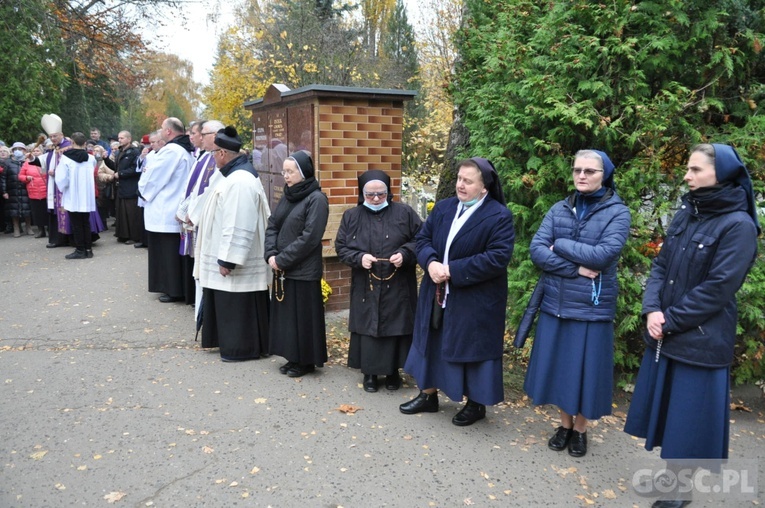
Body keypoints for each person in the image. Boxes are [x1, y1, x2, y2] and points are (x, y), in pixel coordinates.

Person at [624, 144, 759, 508]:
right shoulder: (688, 212)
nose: (687, 176)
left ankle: (678, 492)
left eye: (696, 170)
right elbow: (661, 266)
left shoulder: (739, 226)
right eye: (688, 169)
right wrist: (651, 309)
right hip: (666, 331)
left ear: (722, 175)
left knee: (687, 420)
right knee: (670, 413)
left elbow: (718, 288)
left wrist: (670, 320)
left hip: (700, 339)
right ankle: (671, 480)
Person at [523, 149, 631, 457]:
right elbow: (536, 250)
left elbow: (603, 255)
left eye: (590, 171)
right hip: (556, 303)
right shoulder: (560, 208)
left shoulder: (618, 212)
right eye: (577, 170)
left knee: (585, 372)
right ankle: (565, 425)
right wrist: (575, 267)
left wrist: (562, 245)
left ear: (604, 175)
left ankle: (581, 430)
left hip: (591, 308)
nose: (581, 175)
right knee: (561, 370)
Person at [399, 158, 515, 426]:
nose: (460, 185)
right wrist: (430, 263)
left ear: (484, 187)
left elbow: (497, 257)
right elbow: (423, 239)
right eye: (459, 179)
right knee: (433, 339)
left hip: (475, 297)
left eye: (468, 181)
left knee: (473, 347)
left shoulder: (498, 216)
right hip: (436, 288)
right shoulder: (444, 208)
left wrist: (451, 270)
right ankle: (428, 395)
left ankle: (476, 404)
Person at [335, 170, 422, 392]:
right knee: (368, 328)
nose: (375, 199)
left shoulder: (405, 213)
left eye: (381, 194)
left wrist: (405, 254)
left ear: (389, 193)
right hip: (367, 284)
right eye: (370, 194)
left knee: (396, 326)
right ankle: (370, 373)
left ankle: (393, 372)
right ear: (362, 193)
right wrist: (359, 258)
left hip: (398, 283)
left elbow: (421, 240)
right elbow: (341, 247)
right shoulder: (351, 216)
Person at [194, 126, 271, 361]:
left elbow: (239, 222)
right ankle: (229, 343)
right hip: (224, 253)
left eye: (213, 153)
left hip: (235, 262)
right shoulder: (234, 176)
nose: (213, 158)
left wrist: (229, 259)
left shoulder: (240, 181)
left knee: (237, 304)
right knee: (228, 300)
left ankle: (241, 348)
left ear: (222, 154)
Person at [265, 151, 329, 378]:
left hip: (302, 269)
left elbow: (310, 237)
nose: (286, 176)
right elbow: (273, 225)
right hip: (282, 267)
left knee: (303, 316)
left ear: (304, 173)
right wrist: (271, 254)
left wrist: (282, 259)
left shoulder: (316, 199)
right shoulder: (288, 195)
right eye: (284, 171)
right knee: (287, 316)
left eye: (290, 171)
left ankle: (306, 360)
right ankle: (292, 356)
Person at [138, 117, 194, 303]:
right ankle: (173, 287)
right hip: (173, 204)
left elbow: (154, 177)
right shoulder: (184, 150)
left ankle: (172, 288)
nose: (160, 131)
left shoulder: (171, 150)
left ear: (169, 131)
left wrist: (143, 190)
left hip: (165, 206)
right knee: (170, 252)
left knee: (167, 252)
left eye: (162, 128)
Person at [55, 132, 97, 259]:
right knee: (85, 222)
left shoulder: (66, 158)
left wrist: (63, 188)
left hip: (73, 194)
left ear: (72, 143)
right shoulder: (91, 158)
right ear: (85, 143)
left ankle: (80, 250)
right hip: (86, 195)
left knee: (76, 223)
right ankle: (88, 249)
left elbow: (62, 178)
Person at [113, 131, 142, 244]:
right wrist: (106, 159)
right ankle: (122, 234)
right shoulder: (119, 152)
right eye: (119, 138)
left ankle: (133, 236)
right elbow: (117, 168)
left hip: (130, 186)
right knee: (121, 212)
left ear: (129, 139)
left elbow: (135, 169)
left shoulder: (134, 152)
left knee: (130, 213)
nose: (119, 140)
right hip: (121, 187)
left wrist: (120, 174)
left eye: (122, 138)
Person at [4, 142, 33, 237]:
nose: (18, 151)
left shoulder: (29, 161)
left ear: (24, 150)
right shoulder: (8, 163)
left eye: (20, 149)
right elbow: (3, 178)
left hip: (26, 188)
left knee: (27, 208)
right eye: (15, 149)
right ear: (12, 151)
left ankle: (28, 227)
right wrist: (4, 191)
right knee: (14, 210)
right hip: (13, 189)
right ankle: (16, 228)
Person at [19, 144, 48, 238]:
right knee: (37, 212)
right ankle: (41, 230)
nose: (36, 152)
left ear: (41, 152)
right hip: (33, 191)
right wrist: (26, 177)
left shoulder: (45, 161)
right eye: (34, 151)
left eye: (38, 151)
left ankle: (50, 230)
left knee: (47, 211)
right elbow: (20, 176)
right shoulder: (26, 163)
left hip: (46, 191)